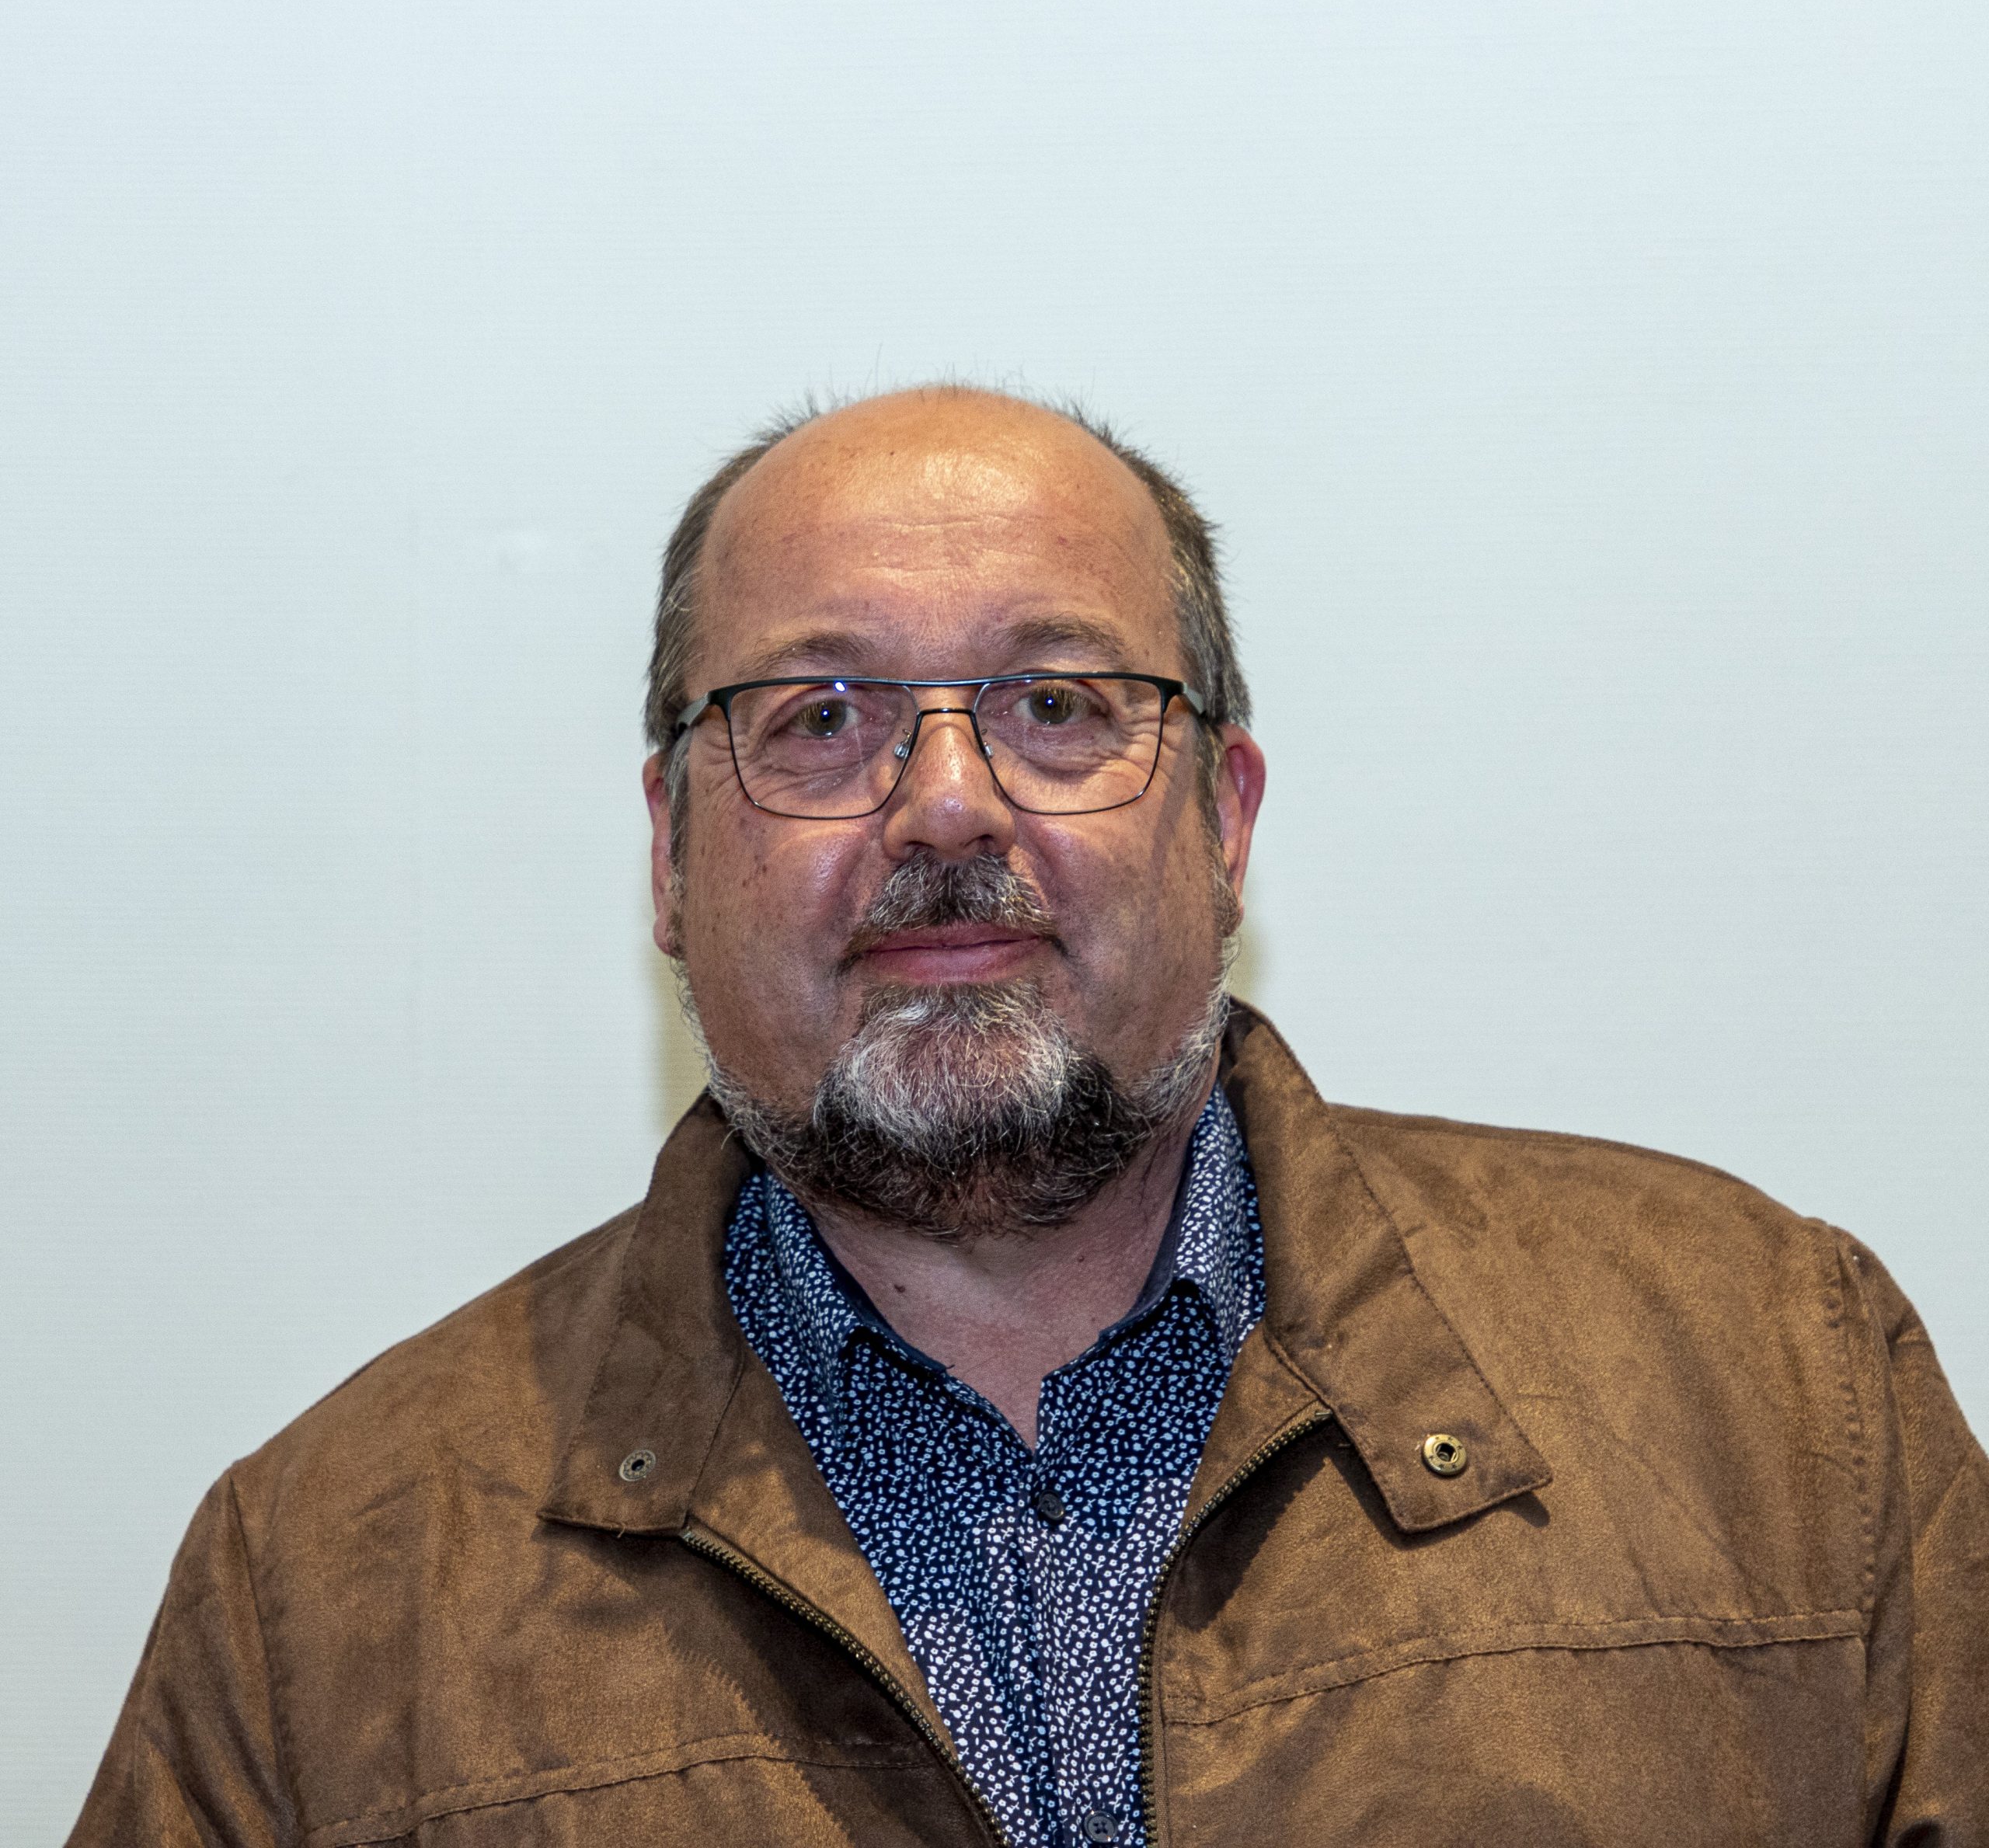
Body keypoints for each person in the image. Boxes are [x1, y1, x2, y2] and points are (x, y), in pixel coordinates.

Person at [73, 388, 1987, 1846]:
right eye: (817, 715)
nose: (945, 803)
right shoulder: (322, 1588)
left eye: (1057, 703)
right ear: (670, 852)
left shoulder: (1768, 1382)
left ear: (1221, 815)